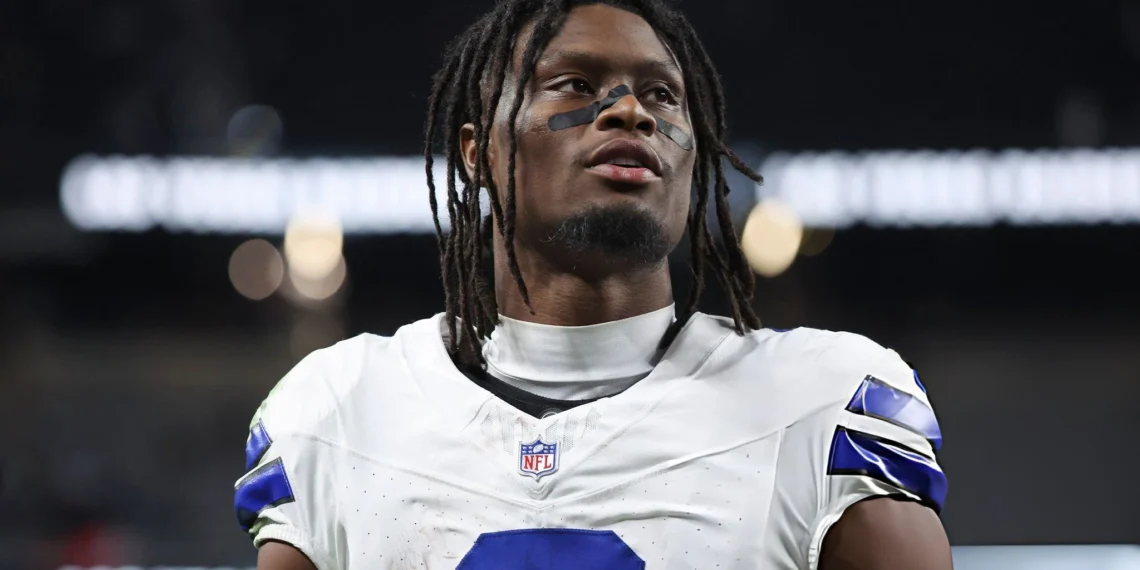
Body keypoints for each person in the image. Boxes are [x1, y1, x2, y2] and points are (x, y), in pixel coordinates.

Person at [235, 0, 953, 568]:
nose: (630, 111)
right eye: (575, 84)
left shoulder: (821, 403)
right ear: (478, 150)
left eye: (663, 96)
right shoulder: (336, 411)